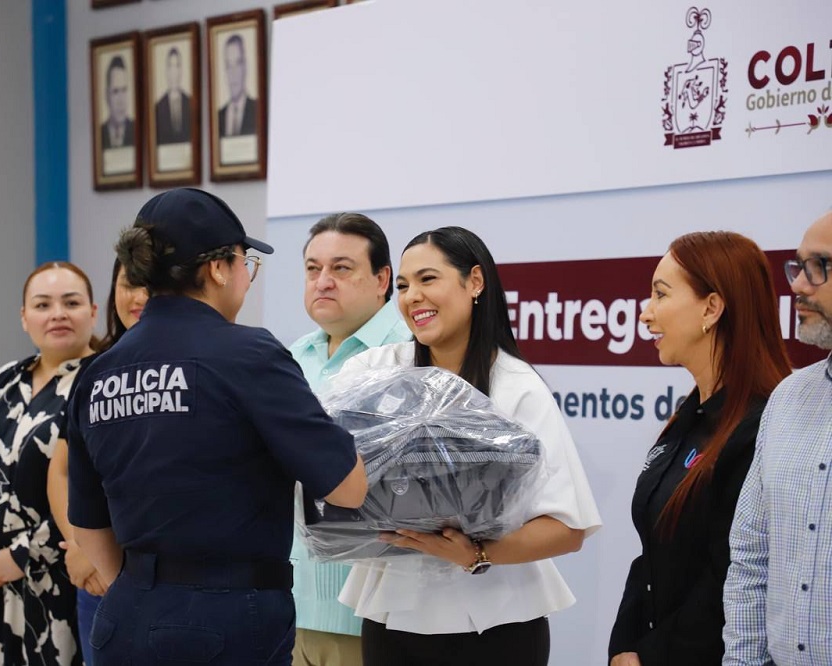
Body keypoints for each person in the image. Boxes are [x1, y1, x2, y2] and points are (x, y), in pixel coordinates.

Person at [66, 188, 367, 666]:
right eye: (246, 262)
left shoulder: (97, 372)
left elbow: (88, 523)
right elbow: (347, 488)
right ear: (219, 268)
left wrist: (146, 589)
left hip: (125, 616)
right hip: (228, 618)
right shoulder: (248, 355)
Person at [335, 226, 601, 666]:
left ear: (475, 282)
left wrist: (477, 553)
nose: (412, 296)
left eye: (428, 279)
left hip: (498, 623)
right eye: (402, 285)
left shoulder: (518, 388)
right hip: (393, 616)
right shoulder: (375, 371)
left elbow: (567, 528)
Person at [608, 232, 792, 666]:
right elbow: (650, 552)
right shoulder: (691, 416)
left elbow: (731, 578)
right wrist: (622, 647)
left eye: (660, 294)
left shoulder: (761, 426)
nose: (645, 312)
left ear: (711, 308)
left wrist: (649, 657)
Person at [0, 261, 98, 665]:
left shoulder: (101, 381)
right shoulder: (6, 377)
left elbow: (93, 487)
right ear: (24, 318)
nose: (58, 313)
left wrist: (22, 556)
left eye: (71, 302)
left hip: (57, 583)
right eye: (43, 304)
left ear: (93, 313)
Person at [288, 213, 410, 666]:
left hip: (373, 614)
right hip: (291, 604)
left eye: (341, 268)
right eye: (312, 269)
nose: (323, 282)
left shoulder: (413, 354)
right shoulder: (290, 358)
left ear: (382, 280)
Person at [723, 210, 832, 666]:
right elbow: (751, 555)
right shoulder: (789, 398)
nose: (798, 285)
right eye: (798, 266)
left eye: (820, 266)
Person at [48, 258, 147, 666]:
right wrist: (79, 546)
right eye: (127, 284)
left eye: (150, 285)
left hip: (153, 578)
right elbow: (62, 469)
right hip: (93, 577)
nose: (139, 297)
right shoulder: (93, 371)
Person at [218, 34, 257, 137]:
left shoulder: (257, 110)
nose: (233, 73)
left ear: (245, 67)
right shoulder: (219, 117)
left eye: (237, 64)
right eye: (229, 66)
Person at [155, 47, 192, 144]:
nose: (174, 72)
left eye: (177, 66)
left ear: (181, 70)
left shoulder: (190, 103)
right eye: (170, 66)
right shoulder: (159, 107)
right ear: (166, 71)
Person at [101, 55, 135, 149]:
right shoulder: (99, 134)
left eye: (124, 90)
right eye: (115, 91)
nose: (121, 100)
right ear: (107, 96)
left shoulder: (137, 131)